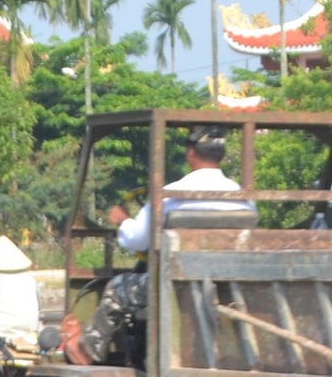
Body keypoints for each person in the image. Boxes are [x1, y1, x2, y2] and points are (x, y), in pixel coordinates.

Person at [65, 127, 250, 364]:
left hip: (175, 286)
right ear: (221, 156)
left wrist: (124, 221)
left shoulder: (171, 196)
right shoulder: (243, 197)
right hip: (228, 283)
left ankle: (88, 350)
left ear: (190, 153)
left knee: (118, 287)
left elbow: (137, 240)